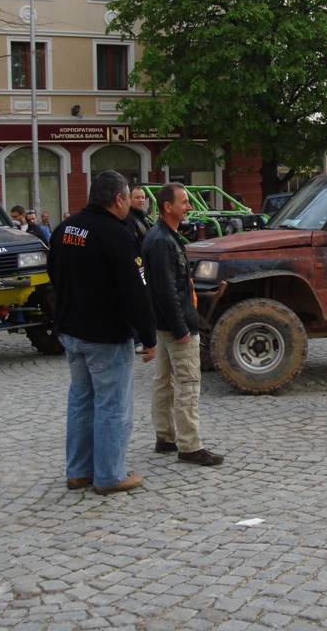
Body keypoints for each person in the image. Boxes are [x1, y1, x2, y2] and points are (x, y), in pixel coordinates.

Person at [48, 170, 158, 494]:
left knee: (81, 402)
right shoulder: (117, 234)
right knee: (113, 405)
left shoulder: (65, 228)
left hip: (71, 329)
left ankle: (79, 471)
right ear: (118, 199)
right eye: (128, 198)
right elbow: (136, 292)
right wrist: (149, 337)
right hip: (106, 334)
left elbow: (53, 273)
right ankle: (110, 475)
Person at [142, 183, 224, 466]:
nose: (189, 207)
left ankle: (165, 436)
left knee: (163, 381)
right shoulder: (162, 240)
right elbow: (166, 289)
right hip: (175, 325)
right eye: (184, 202)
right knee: (187, 382)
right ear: (168, 206)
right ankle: (189, 445)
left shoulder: (162, 236)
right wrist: (181, 328)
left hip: (165, 324)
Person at [126, 186, 153, 354]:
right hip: (138, 265)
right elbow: (134, 244)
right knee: (139, 300)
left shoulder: (142, 217)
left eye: (143, 197)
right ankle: (137, 340)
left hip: (145, 263)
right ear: (129, 199)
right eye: (137, 197)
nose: (141, 200)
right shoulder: (130, 219)